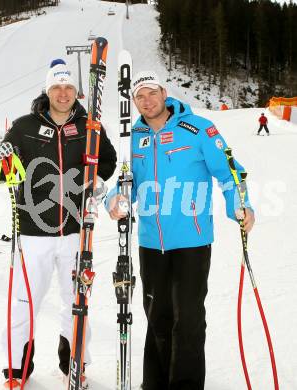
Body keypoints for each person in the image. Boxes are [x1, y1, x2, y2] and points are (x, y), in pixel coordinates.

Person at [106, 71, 255, 390]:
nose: (147, 101)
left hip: (192, 242)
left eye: (151, 93)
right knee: (157, 317)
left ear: (164, 92)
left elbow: (231, 173)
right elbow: (123, 181)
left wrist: (240, 205)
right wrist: (113, 199)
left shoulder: (199, 128)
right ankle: (155, 384)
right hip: (150, 244)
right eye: (139, 97)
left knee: (187, 319)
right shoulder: (132, 138)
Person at [0, 59, 117, 388]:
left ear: (77, 93)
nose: (63, 93)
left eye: (69, 87)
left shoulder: (90, 126)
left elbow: (109, 159)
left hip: (76, 231)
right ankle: (16, 370)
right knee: (24, 302)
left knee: (77, 300)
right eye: (57, 87)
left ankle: (74, 363)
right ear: (47, 91)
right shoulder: (24, 126)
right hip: (33, 233)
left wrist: (94, 180)